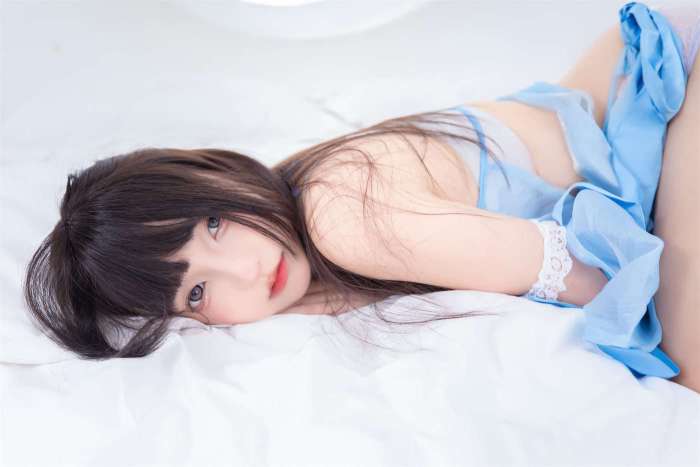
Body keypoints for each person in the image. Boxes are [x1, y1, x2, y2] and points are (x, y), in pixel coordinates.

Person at [23, 2, 699, 393]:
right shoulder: (313, 237)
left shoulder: (341, 214)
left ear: (220, 176)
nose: (247, 270)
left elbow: (599, 277)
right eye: (197, 292)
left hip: (648, 101)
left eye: (216, 224)